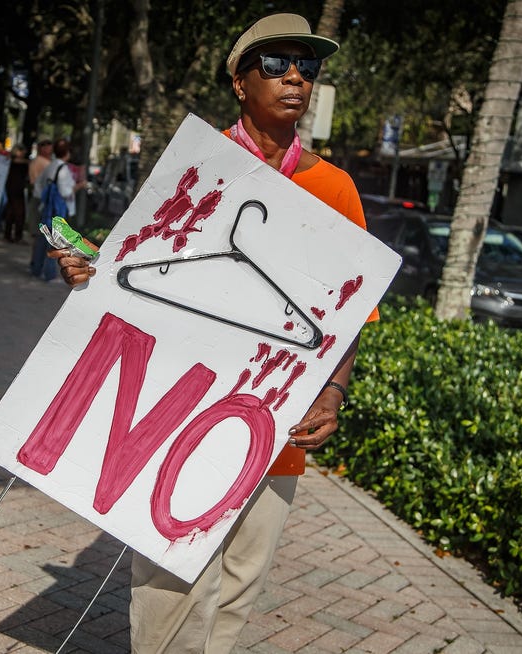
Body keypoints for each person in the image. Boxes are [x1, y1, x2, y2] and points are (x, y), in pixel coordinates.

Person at [48, 13, 376, 653]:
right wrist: (90, 272)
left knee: (240, 582)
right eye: (276, 65)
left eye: (307, 68)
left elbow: (351, 316)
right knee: (171, 574)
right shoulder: (194, 168)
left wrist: (332, 392)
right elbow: (135, 274)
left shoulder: (335, 187)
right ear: (239, 81)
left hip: (275, 422)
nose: (295, 80)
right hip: (177, 409)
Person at [32, 137, 84, 280]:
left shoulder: (51, 165)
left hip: (47, 209)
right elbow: (65, 192)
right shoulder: (63, 169)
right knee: (54, 243)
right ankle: (49, 273)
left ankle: (36, 268)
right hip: (58, 211)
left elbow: (38, 186)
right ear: (67, 152)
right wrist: (79, 186)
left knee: (43, 239)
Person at [3, 144, 29, 242]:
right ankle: (14, 234)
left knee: (13, 211)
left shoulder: (20, 163)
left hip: (16, 187)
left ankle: (10, 234)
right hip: (14, 188)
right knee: (17, 212)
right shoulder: (10, 161)